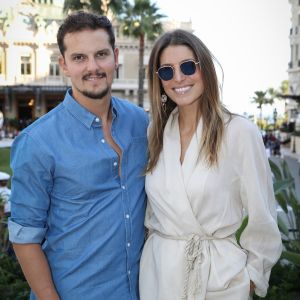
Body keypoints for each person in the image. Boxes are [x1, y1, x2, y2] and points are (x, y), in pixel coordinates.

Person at [8, 11, 148, 300]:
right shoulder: (37, 141)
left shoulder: (141, 124)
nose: (92, 67)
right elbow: (24, 239)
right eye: (79, 57)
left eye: (101, 54)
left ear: (115, 57)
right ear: (64, 65)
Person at [139, 29, 282, 300]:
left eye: (187, 67)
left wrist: (249, 280)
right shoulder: (155, 133)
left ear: (204, 68)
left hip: (219, 280)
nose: (178, 78)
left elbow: (263, 218)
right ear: (159, 81)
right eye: (167, 72)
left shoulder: (239, 132)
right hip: (157, 277)